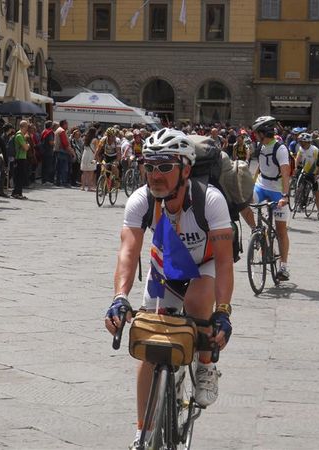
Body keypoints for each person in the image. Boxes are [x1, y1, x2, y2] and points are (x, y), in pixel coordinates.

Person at [104, 128, 233, 448]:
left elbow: (225, 262)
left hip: (204, 267)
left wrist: (223, 312)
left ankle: (205, 365)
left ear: (185, 170)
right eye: (149, 165)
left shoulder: (210, 200)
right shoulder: (140, 200)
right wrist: (120, 297)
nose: (155, 174)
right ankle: (143, 431)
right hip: (165, 270)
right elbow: (128, 252)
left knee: (198, 299)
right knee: (148, 343)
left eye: (165, 166)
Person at [252, 116, 291, 280]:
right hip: (261, 186)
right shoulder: (260, 146)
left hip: (277, 189)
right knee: (245, 205)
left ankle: (283, 266)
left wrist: (285, 196)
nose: (254, 135)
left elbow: (285, 172)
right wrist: (251, 184)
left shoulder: (280, 148)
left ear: (263, 132)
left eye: (256, 132)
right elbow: (260, 167)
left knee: (281, 230)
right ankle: (258, 233)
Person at [294, 132, 319, 221]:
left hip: (314, 172)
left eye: (302, 142)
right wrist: (295, 167)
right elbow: (298, 158)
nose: (300, 144)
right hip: (305, 171)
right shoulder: (301, 149)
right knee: (300, 187)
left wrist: (317, 174)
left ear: (308, 142)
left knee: (316, 192)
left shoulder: (314, 150)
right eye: (300, 142)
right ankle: (300, 203)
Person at [12, 120, 30, 199]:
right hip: (20, 158)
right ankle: (17, 193)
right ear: (24, 127)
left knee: (20, 176)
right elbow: (25, 148)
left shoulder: (22, 135)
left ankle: (17, 192)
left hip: (22, 158)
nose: (27, 128)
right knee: (19, 176)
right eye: (27, 127)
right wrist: (28, 145)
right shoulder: (19, 135)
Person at [54, 120, 74, 187]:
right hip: (63, 152)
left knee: (58, 168)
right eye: (67, 124)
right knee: (64, 168)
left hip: (58, 151)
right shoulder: (62, 131)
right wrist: (71, 152)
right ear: (64, 124)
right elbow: (65, 143)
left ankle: (58, 181)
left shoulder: (57, 130)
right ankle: (64, 182)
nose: (67, 125)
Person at [80, 127, 98, 191]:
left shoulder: (85, 138)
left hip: (85, 155)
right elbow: (96, 150)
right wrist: (97, 158)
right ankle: (90, 187)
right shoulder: (95, 140)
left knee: (84, 172)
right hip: (92, 157)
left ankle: (82, 186)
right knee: (91, 171)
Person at [40, 121, 55, 185]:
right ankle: (47, 180)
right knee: (48, 166)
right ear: (50, 126)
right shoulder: (50, 132)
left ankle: (43, 180)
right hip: (48, 151)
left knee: (44, 166)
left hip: (43, 151)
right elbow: (51, 142)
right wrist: (56, 143)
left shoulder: (43, 131)